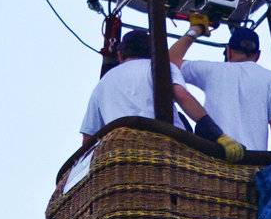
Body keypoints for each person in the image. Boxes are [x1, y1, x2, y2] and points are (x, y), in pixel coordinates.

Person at [79, 28, 245, 159]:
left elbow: (88, 139)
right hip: (169, 149)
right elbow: (183, 97)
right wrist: (218, 134)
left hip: (121, 153)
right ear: (152, 52)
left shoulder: (102, 84)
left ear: (120, 55)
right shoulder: (159, 67)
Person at [168, 19, 271, 154]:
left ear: (229, 51)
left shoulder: (212, 70)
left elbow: (169, 62)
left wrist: (195, 31)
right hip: (252, 162)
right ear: (258, 55)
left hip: (212, 156)